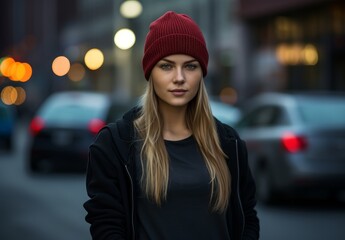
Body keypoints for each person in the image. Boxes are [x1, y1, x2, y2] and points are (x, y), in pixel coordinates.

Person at [84, 11, 260, 240]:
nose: (179, 77)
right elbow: (105, 225)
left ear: (202, 72)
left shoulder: (229, 143)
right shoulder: (114, 145)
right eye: (166, 66)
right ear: (150, 73)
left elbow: (247, 219)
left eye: (190, 66)